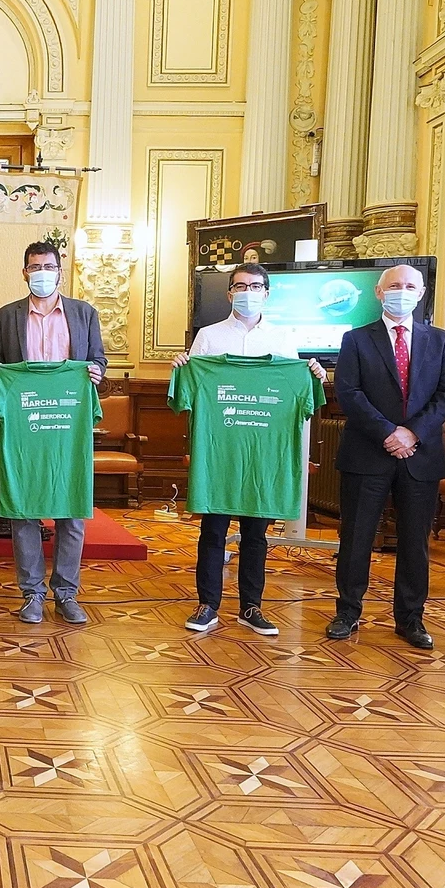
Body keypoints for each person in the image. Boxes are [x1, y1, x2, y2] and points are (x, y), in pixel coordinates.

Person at [171, 262, 327, 635]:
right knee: (213, 530)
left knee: (256, 535)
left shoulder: (283, 338)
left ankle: (251, 607)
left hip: (263, 459)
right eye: (240, 286)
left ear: (267, 293)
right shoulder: (208, 337)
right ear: (229, 293)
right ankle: (207, 604)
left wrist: (314, 376)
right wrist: (182, 368)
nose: (247, 292)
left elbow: (301, 397)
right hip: (219, 457)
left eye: (255, 286)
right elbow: (189, 392)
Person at [328, 264, 445, 649]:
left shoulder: (440, 340)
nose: (402, 291)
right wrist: (389, 433)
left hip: (421, 455)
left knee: (414, 541)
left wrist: (412, 432)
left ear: (421, 293)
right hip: (367, 452)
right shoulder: (355, 339)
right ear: (379, 292)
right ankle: (348, 612)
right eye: (394, 286)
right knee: (355, 538)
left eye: (410, 286)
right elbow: (349, 392)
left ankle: (410, 619)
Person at [0, 242, 107, 624]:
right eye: (34, 266)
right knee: (24, 510)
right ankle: (32, 593)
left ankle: (66, 593)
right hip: (27, 428)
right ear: (24, 272)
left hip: (68, 427)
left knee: (71, 513)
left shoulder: (85, 314)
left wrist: (96, 372)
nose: (41, 272)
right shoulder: (7, 316)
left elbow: (98, 358)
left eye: (48, 266)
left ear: (59, 270)